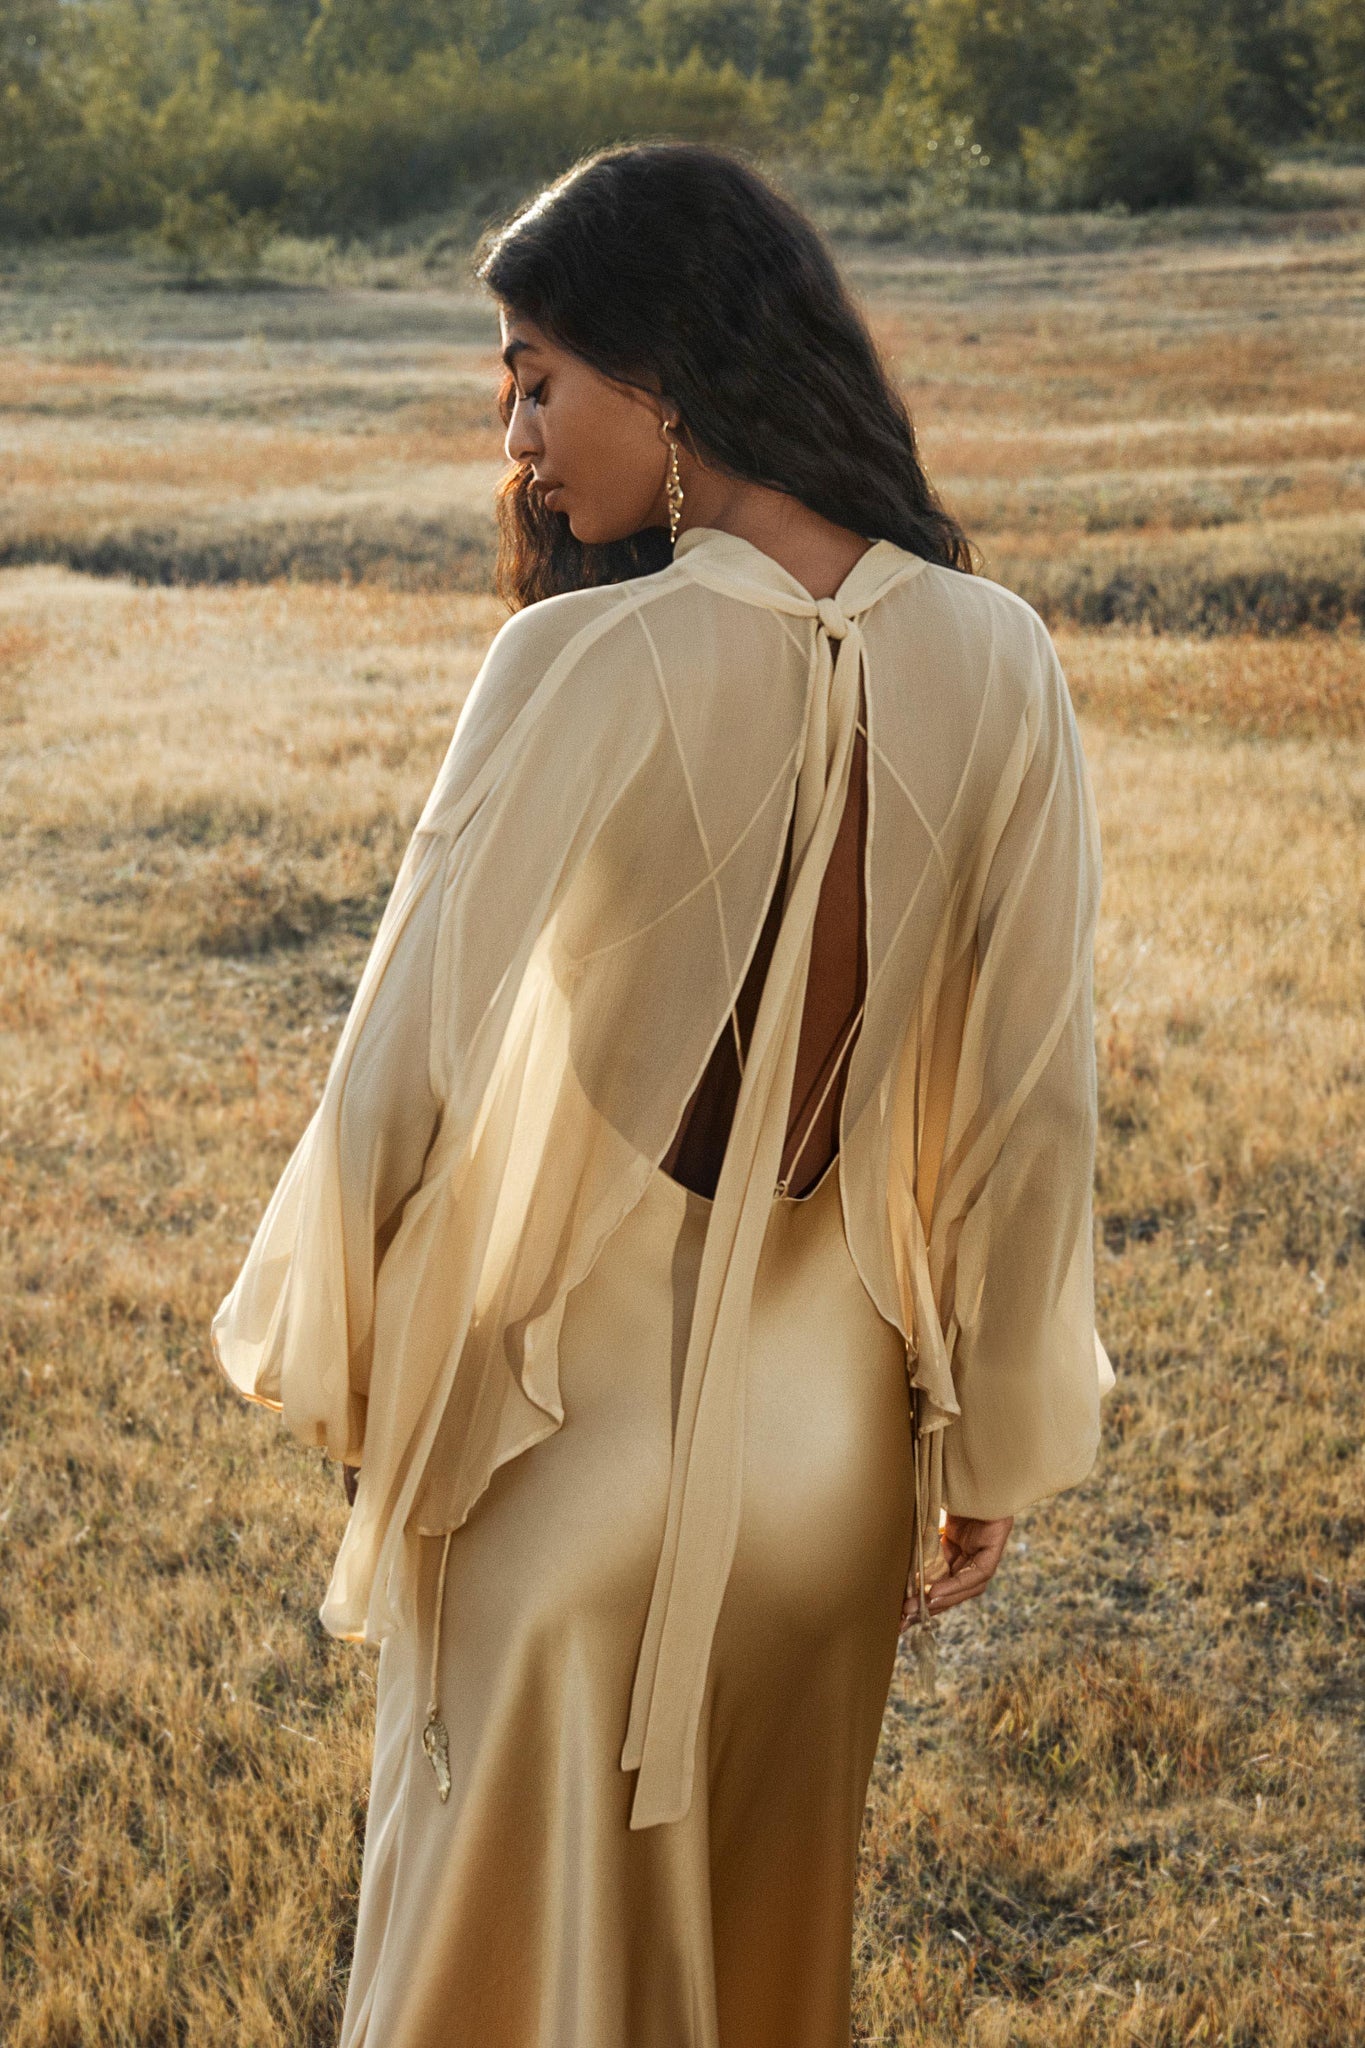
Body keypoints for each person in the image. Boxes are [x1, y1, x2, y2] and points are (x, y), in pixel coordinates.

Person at [212, 140, 1113, 2048]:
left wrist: (349, 1365)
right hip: (833, 1456)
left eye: (538, 373)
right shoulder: (1000, 655)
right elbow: (1033, 1113)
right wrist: (990, 1442)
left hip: (570, 1451)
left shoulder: (581, 657)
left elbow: (398, 1077)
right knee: (751, 1974)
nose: (517, 438)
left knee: (494, 1980)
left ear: (668, 374)